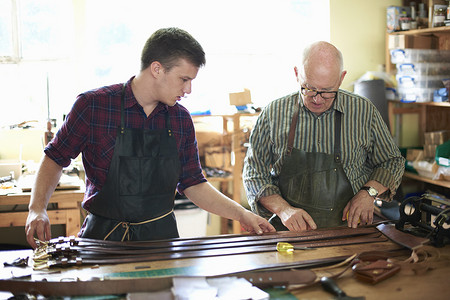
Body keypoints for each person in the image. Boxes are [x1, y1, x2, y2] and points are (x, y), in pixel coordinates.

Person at [25, 27, 275, 249]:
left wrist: (242, 214)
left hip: (160, 242)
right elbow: (55, 158)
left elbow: (193, 183)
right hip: (102, 242)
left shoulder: (180, 119)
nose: (188, 90)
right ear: (157, 69)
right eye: (184, 79)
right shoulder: (94, 106)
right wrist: (37, 208)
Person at [243, 41, 405, 231]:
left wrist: (368, 193)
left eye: (327, 91)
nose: (318, 99)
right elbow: (254, 174)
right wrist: (284, 210)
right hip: (288, 233)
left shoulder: (363, 111)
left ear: (341, 78)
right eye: (309, 88)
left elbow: (392, 161)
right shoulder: (273, 113)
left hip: (350, 230)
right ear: (297, 74)